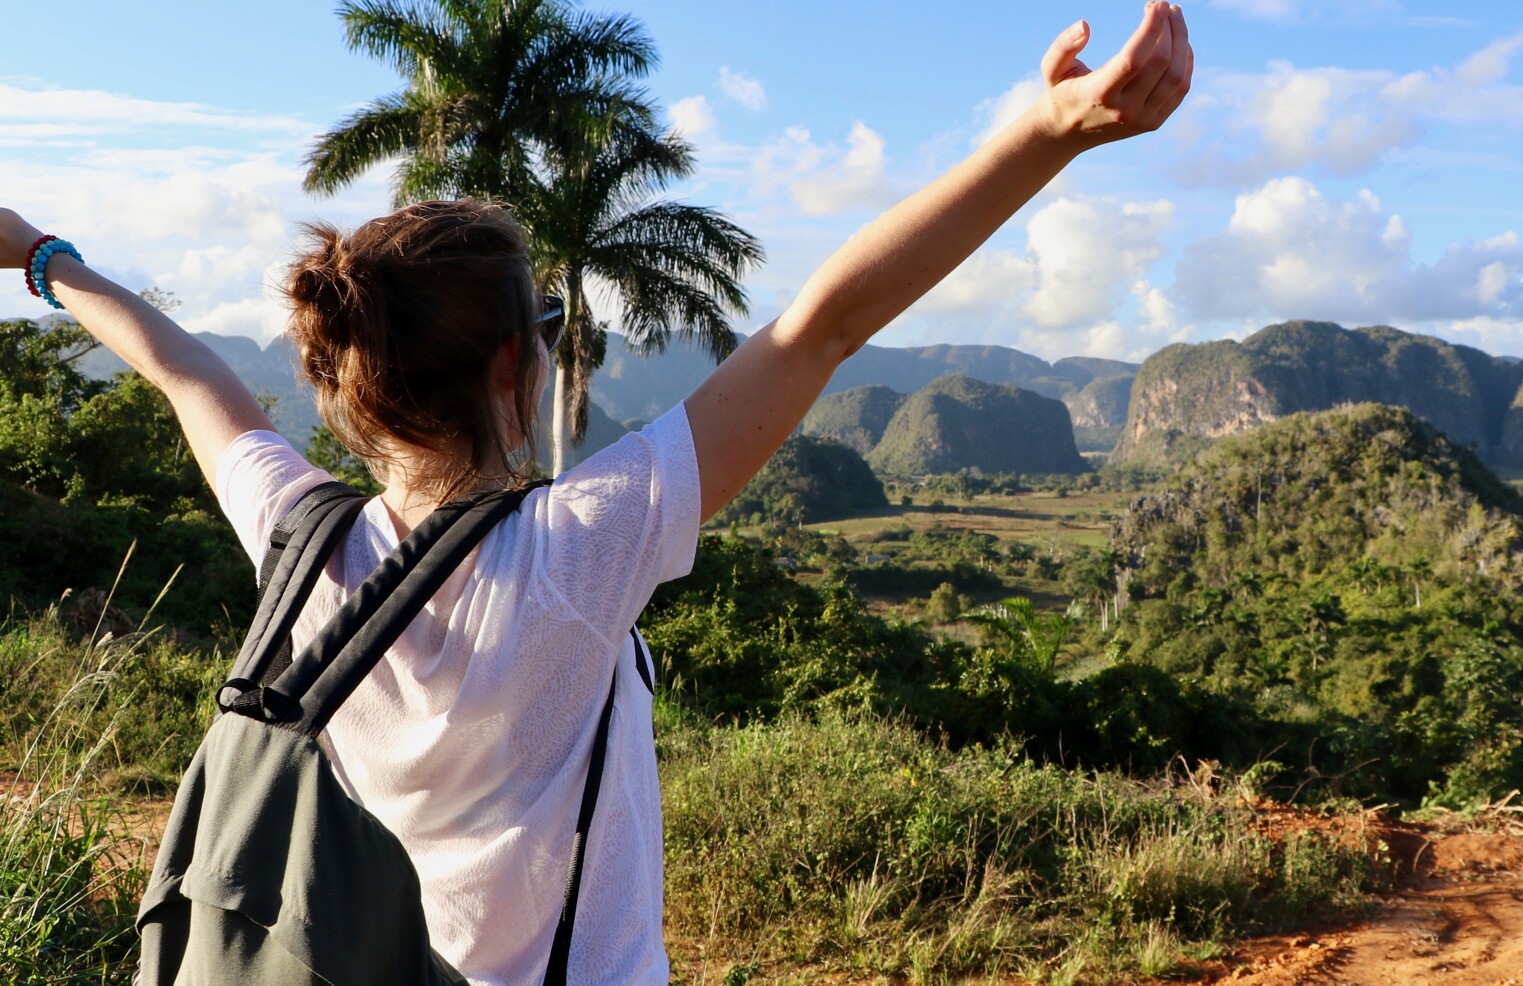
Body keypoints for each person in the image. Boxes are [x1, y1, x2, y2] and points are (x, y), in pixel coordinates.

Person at [0, 4, 1190, 983]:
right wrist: (1048, 132)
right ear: (516, 369)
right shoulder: (578, 552)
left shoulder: (293, 536)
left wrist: (39, 254)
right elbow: (822, 323)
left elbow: (183, 369)